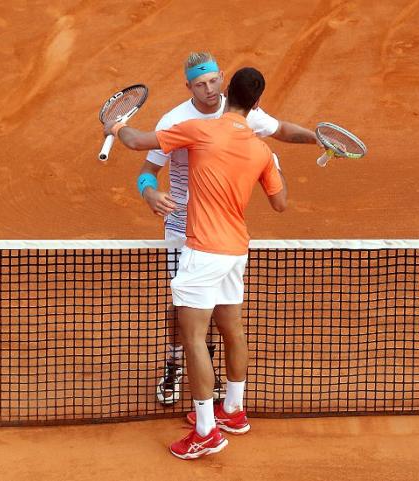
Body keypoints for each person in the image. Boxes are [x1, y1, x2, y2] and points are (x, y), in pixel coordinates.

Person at [104, 66, 287, 460]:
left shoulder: (200, 130)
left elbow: (135, 141)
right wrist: (276, 166)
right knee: (232, 328)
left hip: (202, 251)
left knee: (193, 338)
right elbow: (280, 203)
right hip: (236, 250)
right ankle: (233, 410)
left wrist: (114, 126)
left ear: (226, 90)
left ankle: (206, 432)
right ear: (256, 103)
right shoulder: (261, 150)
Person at [141, 52, 318, 406]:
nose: (209, 90)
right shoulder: (175, 120)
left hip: (221, 231)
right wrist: (149, 193)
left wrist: (318, 138)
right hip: (181, 226)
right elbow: (147, 171)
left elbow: (282, 130)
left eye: (213, 82)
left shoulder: (242, 111)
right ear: (188, 86)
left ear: (222, 78)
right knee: (183, 307)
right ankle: (175, 364)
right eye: (200, 84)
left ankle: (207, 374)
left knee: (219, 310)